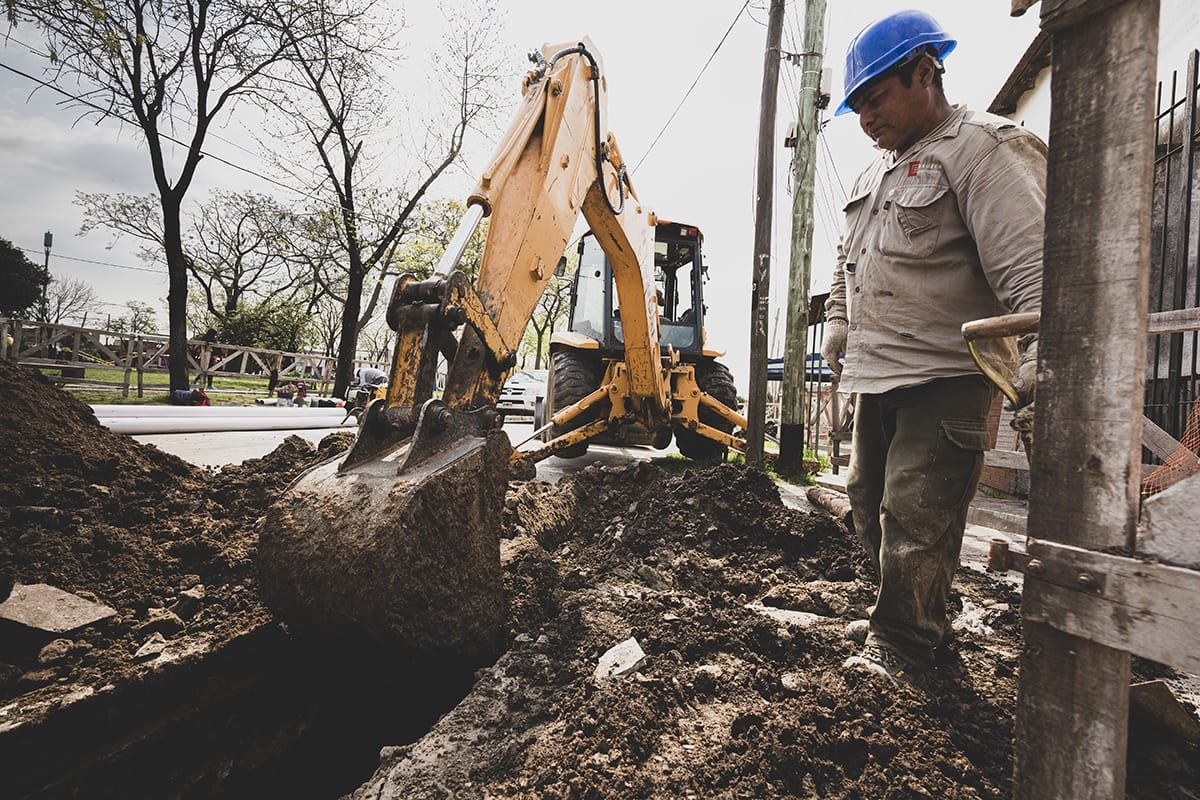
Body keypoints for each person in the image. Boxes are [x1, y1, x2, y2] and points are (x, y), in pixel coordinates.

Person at [820, 10, 1044, 682]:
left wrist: (1041, 356)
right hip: (880, 375)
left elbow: (1033, 268)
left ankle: (904, 646)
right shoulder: (874, 174)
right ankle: (918, 616)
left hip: (949, 374)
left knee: (917, 514)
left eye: (876, 98)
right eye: (856, 106)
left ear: (925, 73)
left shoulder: (983, 150)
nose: (865, 119)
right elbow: (847, 260)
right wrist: (838, 317)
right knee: (868, 503)